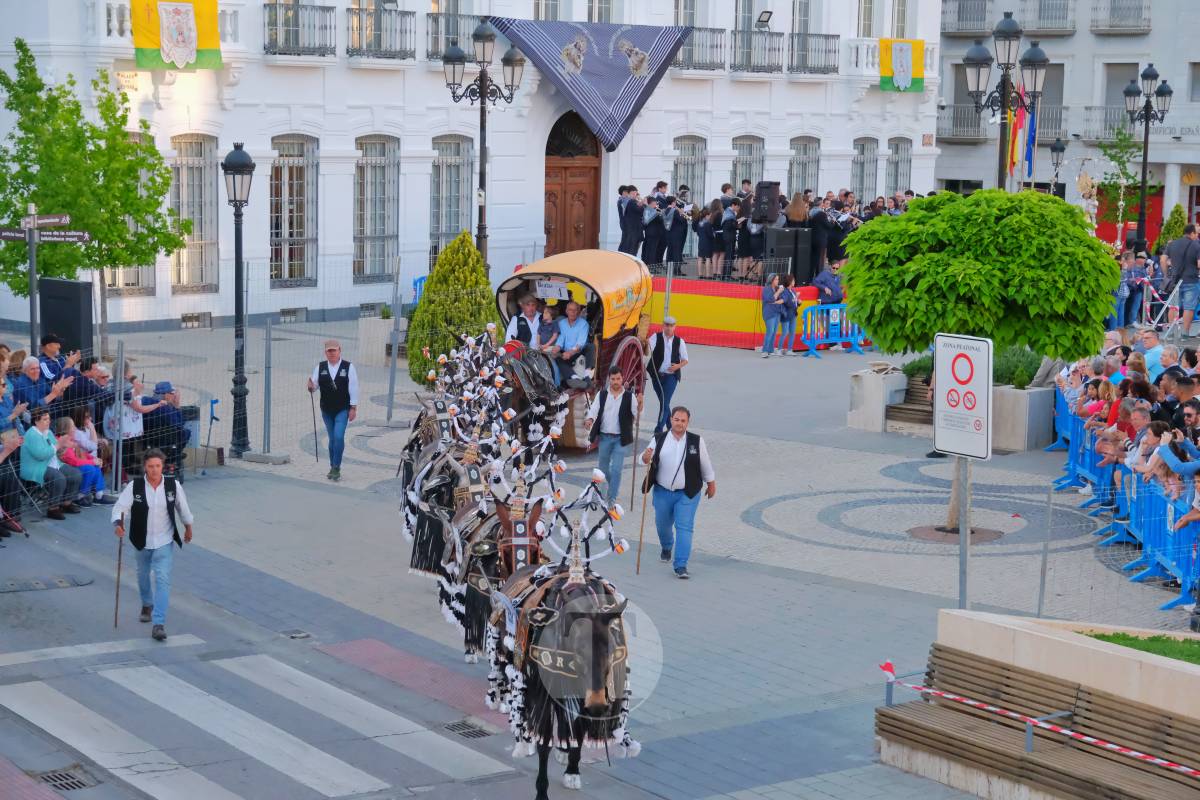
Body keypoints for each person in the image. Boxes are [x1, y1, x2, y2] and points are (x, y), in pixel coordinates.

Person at [111, 449, 195, 642]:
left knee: (163, 578)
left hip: (164, 540)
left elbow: (183, 509)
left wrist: (188, 528)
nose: (155, 470)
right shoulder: (135, 486)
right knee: (142, 574)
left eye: (158, 466)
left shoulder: (173, 485)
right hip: (141, 539)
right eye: (151, 466)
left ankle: (158, 623)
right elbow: (120, 508)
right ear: (145, 467)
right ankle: (147, 603)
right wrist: (118, 524)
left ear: (162, 466)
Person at [640, 406, 716, 579]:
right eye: (676, 420)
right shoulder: (659, 439)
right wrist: (645, 457)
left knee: (684, 527)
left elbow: (705, 463)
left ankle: (681, 565)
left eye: (683, 420)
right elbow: (644, 459)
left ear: (688, 422)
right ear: (671, 420)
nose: (679, 423)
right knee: (662, 525)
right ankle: (667, 546)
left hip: (688, 492)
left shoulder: (696, 441)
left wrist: (711, 483)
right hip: (662, 492)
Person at [585, 367, 643, 504]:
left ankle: (611, 498)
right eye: (613, 379)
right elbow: (594, 409)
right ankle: (614, 487)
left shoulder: (630, 397)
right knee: (603, 469)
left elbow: (638, 416)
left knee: (616, 469)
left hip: (621, 439)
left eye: (618, 379)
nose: (616, 382)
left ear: (622, 379)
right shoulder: (602, 395)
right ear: (609, 379)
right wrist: (590, 419)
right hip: (604, 437)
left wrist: (640, 404)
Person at [307, 340, 358, 482]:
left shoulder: (348, 367)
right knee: (332, 439)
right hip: (327, 410)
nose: (332, 353)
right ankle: (332, 465)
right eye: (329, 351)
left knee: (338, 436)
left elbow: (354, 388)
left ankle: (336, 467)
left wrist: (353, 407)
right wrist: (311, 386)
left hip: (343, 409)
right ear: (325, 353)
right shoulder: (320, 367)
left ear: (339, 350)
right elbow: (314, 386)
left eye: (334, 350)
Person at [20, 408, 82, 520]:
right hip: (36, 466)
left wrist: (64, 447)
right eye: (44, 419)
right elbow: (40, 455)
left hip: (51, 463)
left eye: (48, 418)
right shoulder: (31, 434)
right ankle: (53, 509)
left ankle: (66, 503)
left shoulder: (48, 432)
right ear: (36, 421)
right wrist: (58, 445)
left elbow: (56, 449)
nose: (48, 421)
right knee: (59, 478)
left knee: (75, 474)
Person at [645, 317, 689, 433]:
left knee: (664, 402)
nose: (669, 328)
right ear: (663, 326)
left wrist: (677, 366)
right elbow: (648, 350)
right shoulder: (656, 337)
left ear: (675, 327)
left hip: (671, 377)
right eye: (667, 325)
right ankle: (670, 426)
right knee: (665, 402)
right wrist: (645, 344)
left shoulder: (679, 341)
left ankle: (658, 430)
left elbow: (685, 360)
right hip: (657, 376)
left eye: (671, 326)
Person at [54, 417, 109, 506]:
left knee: (96, 466)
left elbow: (83, 454)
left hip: (77, 464)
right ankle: (80, 496)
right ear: (66, 428)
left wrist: (93, 459)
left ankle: (99, 494)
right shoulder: (62, 441)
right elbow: (73, 461)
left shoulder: (71, 439)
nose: (75, 428)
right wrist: (92, 462)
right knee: (89, 469)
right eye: (72, 426)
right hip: (68, 467)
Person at [142, 381, 189, 468]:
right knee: (185, 432)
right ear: (166, 395)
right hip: (163, 439)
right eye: (171, 393)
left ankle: (174, 455)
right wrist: (176, 405)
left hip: (146, 438)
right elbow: (180, 423)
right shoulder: (165, 408)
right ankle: (173, 458)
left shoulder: (145, 401)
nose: (173, 395)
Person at [1165, 224, 1200, 336]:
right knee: (1189, 308)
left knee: (1173, 306)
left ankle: (1171, 333)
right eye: (1197, 233)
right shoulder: (1196, 245)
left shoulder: (1172, 244)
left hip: (1175, 280)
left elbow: (1163, 260)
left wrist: (1166, 275)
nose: (1197, 236)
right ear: (1192, 233)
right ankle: (1185, 334)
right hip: (1191, 280)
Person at [556, 301, 594, 388]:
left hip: (579, 351)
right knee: (557, 358)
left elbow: (580, 343)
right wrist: (557, 347)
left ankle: (587, 375)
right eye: (570, 310)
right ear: (566, 311)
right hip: (566, 352)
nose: (572, 312)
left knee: (590, 346)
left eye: (575, 310)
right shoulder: (562, 323)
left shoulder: (584, 324)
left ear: (578, 312)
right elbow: (561, 338)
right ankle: (574, 378)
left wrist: (571, 352)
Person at [761, 273, 784, 357]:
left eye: (778, 279)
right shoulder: (767, 289)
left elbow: (782, 299)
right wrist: (778, 292)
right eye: (776, 279)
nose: (778, 281)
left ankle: (770, 350)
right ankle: (764, 351)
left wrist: (780, 294)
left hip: (777, 312)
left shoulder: (776, 288)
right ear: (771, 280)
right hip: (769, 313)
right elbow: (770, 299)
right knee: (770, 331)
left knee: (774, 332)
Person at [776, 274, 799, 355]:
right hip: (786, 314)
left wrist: (798, 302)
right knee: (785, 332)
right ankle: (779, 349)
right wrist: (794, 300)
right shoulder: (784, 291)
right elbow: (786, 301)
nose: (794, 282)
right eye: (793, 280)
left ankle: (789, 350)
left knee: (792, 332)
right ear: (789, 282)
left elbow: (794, 303)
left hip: (793, 314)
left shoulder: (793, 291)